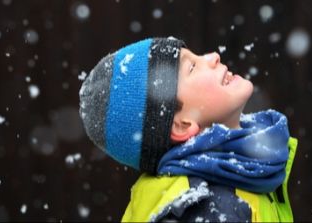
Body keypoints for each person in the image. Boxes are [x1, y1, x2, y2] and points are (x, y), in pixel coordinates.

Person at [79, 36, 297, 222]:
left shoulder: (247, 170)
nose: (213, 56)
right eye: (192, 67)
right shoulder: (206, 209)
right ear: (181, 125)